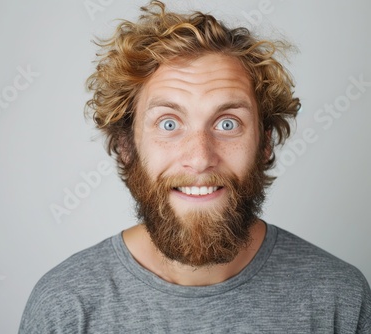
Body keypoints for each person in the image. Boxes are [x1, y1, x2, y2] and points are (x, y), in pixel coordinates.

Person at [19, 1, 371, 332]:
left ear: (264, 143)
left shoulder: (340, 300)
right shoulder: (65, 307)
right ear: (126, 145)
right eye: (169, 124)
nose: (201, 157)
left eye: (227, 123)